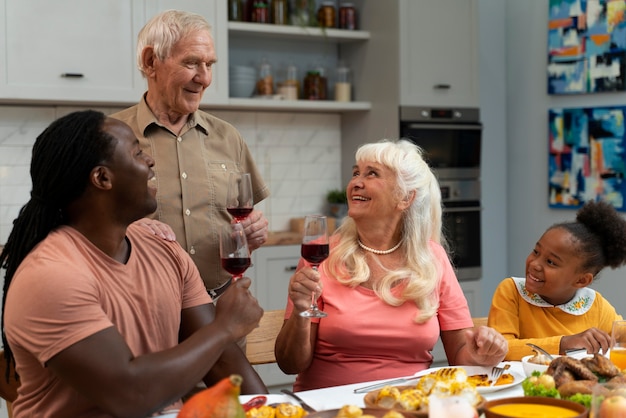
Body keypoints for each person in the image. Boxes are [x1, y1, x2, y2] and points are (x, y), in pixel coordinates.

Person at [0, 110, 267, 417]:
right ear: (103, 178)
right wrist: (225, 327)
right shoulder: (51, 275)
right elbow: (130, 395)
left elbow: (223, 362)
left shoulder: (163, 249)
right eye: (138, 152)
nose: (150, 161)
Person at [274, 139, 508, 391]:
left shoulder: (433, 260)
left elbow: (460, 354)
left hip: (406, 405)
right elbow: (290, 364)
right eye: (355, 173)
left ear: (405, 198)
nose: (355, 182)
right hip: (329, 407)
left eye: (371, 173)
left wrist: (484, 352)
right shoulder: (322, 257)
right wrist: (300, 311)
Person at [111, 9, 270, 297]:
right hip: (143, 306)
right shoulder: (109, 135)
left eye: (209, 64)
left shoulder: (228, 136)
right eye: (192, 63)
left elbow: (242, 221)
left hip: (222, 303)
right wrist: (128, 228)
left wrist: (250, 233)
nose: (205, 78)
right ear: (150, 62)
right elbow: (79, 228)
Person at [488, 200, 626, 361]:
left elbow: (621, 336)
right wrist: (564, 343)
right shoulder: (511, 291)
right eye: (536, 252)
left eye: (551, 262)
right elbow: (502, 350)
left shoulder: (596, 307)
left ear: (581, 280)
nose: (534, 264)